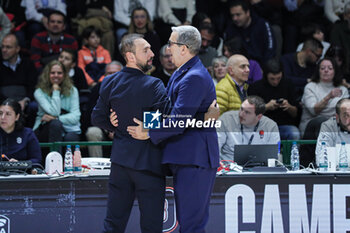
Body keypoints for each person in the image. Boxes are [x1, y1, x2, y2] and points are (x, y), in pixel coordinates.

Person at [127, 25, 219, 233]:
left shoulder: (193, 76)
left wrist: (148, 132)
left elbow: (178, 120)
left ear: (184, 48)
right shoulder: (182, 73)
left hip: (194, 158)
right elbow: (168, 112)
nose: (168, 48)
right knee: (188, 222)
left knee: (191, 225)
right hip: (185, 157)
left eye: (171, 43)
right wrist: (134, 125)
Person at [91, 33, 168, 232]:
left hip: (120, 164)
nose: (152, 54)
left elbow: (97, 118)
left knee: (113, 225)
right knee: (151, 227)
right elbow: (163, 120)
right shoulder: (154, 84)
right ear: (130, 56)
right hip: (148, 164)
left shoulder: (109, 82)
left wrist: (112, 124)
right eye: (146, 50)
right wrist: (147, 128)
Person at [248, 59, 300, 140]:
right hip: (262, 126)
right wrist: (266, 107)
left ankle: (292, 153)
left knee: (294, 133)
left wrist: (288, 106)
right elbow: (250, 115)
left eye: (278, 78)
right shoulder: (255, 87)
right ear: (266, 76)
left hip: (284, 126)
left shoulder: (288, 84)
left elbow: (295, 113)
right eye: (272, 79)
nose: (275, 82)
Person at [217, 96, 280, 161]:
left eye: (247, 112)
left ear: (259, 117)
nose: (241, 114)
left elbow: (273, 156)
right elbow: (214, 147)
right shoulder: (226, 119)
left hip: (258, 168)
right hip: (228, 166)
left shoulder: (270, 126)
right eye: (241, 109)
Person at [33, 60, 81, 144]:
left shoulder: (73, 90)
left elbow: (76, 116)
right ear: (47, 75)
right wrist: (56, 91)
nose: (56, 76)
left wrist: (57, 118)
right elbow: (55, 112)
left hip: (68, 127)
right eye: (52, 73)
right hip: (45, 128)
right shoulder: (39, 92)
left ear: (64, 75)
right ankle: (55, 157)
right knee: (55, 125)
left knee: (71, 138)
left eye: (59, 73)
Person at [299, 58, 349, 137]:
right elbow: (314, 111)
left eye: (330, 68)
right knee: (322, 122)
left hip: (336, 126)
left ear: (335, 71)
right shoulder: (310, 87)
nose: (326, 70)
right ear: (318, 71)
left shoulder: (342, 89)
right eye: (322, 68)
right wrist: (329, 96)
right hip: (312, 127)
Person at [0, 33, 39, 128]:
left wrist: (25, 100)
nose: (4, 50)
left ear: (17, 49)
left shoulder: (28, 64)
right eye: (3, 47)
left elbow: (33, 86)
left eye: (8, 47)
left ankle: (31, 136)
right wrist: (7, 103)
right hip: (3, 101)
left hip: (24, 102)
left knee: (34, 107)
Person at [85, 61, 123, 158]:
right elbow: (91, 115)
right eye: (109, 73)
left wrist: (118, 130)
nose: (112, 76)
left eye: (115, 73)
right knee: (92, 132)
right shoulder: (97, 89)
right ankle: (97, 168)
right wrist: (108, 129)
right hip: (103, 128)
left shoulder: (131, 88)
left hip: (124, 128)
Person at [0, 98, 41, 165]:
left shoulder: (27, 134)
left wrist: (20, 164)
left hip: (20, 173)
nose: (2, 117)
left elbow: (36, 159)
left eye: (8, 114)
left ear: (17, 117)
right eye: (0, 113)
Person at [315, 98, 350, 166]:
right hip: (336, 173)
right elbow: (321, 159)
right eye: (346, 116)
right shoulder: (328, 126)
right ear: (337, 117)